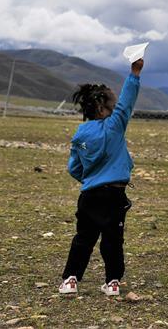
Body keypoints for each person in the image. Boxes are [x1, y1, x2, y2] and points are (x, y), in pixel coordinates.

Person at [59, 58, 144, 297]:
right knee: (113, 240)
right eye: (112, 103)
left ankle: (70, 280)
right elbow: (127, 102)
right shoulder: (114, 125)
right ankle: (113, 282)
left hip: (89, 195)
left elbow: (74, 167)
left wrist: (90, 180)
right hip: (114, 194)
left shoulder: (80, 133)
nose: (117, 106)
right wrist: (134, 73)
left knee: (83, 238)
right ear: (101, 108)